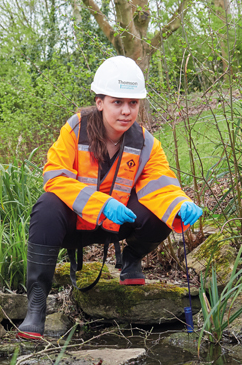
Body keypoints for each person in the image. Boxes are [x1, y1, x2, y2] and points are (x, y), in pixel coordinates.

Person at [17, 56, 203, 340]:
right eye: (118, 102)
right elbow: (55, 177)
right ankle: (37, 305)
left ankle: (131, 258)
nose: (126, 111)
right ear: (100, 102)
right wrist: (100, 203)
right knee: (46, 205)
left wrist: (180, 202)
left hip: (118, 226)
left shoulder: (147, 143)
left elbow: (161, 184)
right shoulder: (75, 130)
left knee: (165, 207)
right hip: (74, 226)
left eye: (133, 103)